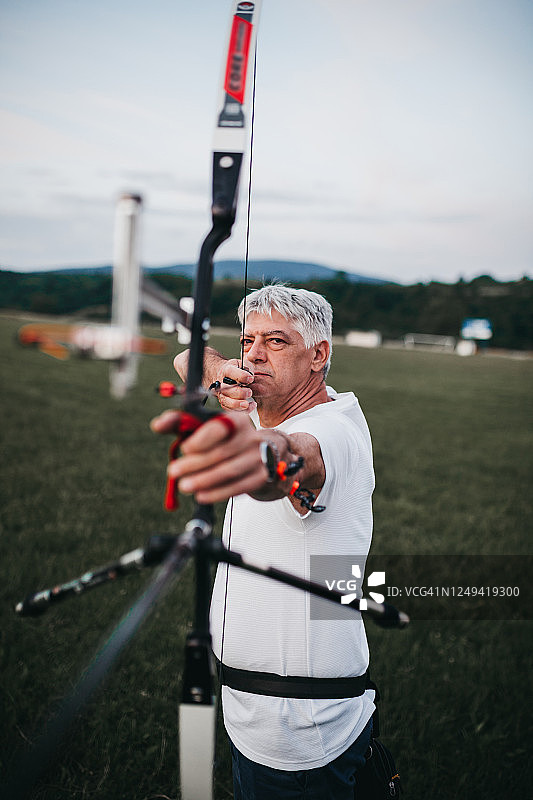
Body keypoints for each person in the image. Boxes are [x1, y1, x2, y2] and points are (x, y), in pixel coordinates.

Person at [151, 285, 376, 800]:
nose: (254, 354)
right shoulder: (263, 408)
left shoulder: (332, 429)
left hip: (300, 725)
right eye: (249, 341)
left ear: (318, 354)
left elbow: (291, 457)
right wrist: (226, 377)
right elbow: (189, 358)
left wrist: (248, 452)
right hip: (257, 710)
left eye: (275, 341)